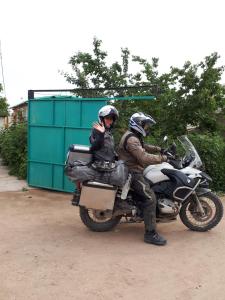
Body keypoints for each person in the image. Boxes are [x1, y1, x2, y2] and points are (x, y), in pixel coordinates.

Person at [118, 112, 168, 246]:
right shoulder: (132, 139)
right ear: (138, 124)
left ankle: (141, 212)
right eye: (145, 125)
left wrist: (159, 149)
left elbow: (143, 147)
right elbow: (144, 158)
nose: (146, 128)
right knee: (150, 198)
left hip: (133, 170)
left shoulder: (134, 137)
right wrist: (163, 158)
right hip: (132, 173)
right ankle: (150, 234)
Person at [90, 105, 119, 171]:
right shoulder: (97, 130)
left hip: (108, 166)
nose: (110, 121)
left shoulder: (108, 132)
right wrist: (101, 134)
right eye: (107, 118)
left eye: (111, 119)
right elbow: (95, 147)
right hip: (100, 167)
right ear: (102, 118)